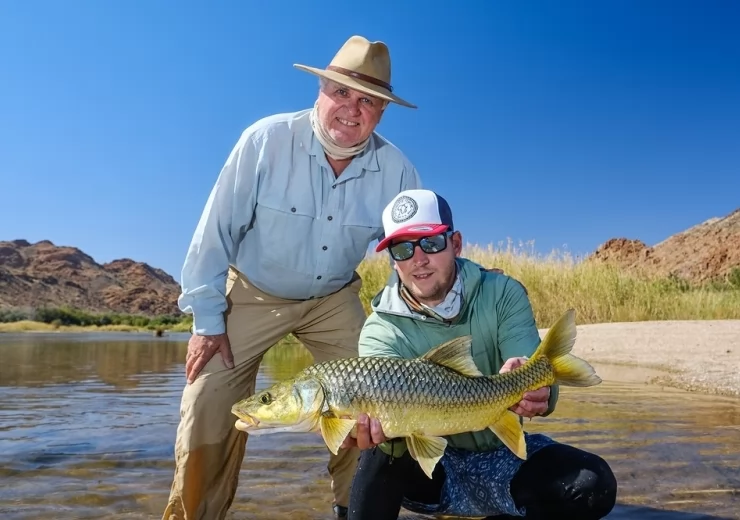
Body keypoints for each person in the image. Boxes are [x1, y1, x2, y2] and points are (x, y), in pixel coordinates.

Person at [162, 35, 421, 520]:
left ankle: (354, 509)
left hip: (335, 298)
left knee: (375, 406)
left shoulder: (399, 171)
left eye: (368, 100)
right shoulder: (264, 140)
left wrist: (399, 338)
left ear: (382, 111)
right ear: (320, 87)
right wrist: (206, 320)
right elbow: (215, 232)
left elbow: (406, 265)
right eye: (341, 92)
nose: (351, 109)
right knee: (206, 405)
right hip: (252, 292)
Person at [342, 189, 618, 520]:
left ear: (455, 243)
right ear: (393, 260)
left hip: (502, 456)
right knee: (380, 448)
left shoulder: (503, 293)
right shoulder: (379, 329)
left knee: (591, 484)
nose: (418, 259)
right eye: (402, 249)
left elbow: (535, 377)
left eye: (430, 242)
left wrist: (540, 390)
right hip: (430, 470)